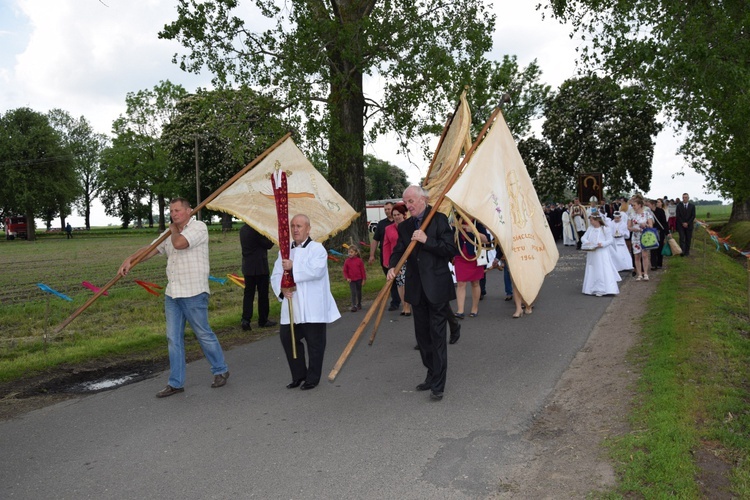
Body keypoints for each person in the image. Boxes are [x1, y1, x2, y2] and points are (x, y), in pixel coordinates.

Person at [118, 197, 229, 398]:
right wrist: (130, 259)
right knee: (173, 338)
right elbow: (151, 249)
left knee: (203, 333)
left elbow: (178, 243)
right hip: (173, 293)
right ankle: (176, 383)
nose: (174, 214)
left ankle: (220, 369)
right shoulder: (171, 231)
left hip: (194, 292)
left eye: (177, 210)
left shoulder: (199, 228)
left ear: (189, 211)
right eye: (171, 211)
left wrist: (172, 228)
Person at [387, 186, 457, 401]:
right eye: (405, 201)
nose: (408, 205)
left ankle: (438, 384)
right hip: (416, 289)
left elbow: (449, 250)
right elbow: (399, 251)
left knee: (437, 337)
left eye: (411, 201)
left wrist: (428, 241)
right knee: (423, 338)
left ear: (424, 200)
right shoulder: (406, 226)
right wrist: (392, 266)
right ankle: (431, 373)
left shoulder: (439, 219)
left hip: (436, 287)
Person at [271, 214, 340, 391]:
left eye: (299, 226)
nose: (295, 229)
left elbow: (316, 271)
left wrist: (294, 266)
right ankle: (298, 375)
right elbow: (276, 274)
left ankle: (312, 377)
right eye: (293, 226)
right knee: (288, 339)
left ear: (308, 229)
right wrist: (282, 289)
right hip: (292, 305)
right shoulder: (285, 251)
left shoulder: (317, 249)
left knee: (315, 343)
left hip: (312, 305)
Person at [239, 223, 277, 330]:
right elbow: (268, 244)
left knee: (248, 295)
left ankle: (245, 319)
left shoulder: (243, 230)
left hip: (248, 267)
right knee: (263, 295)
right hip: (260, 267)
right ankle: (263, 320)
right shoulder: (257, 230)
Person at [453, 215, 488, 318]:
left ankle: (475, 308)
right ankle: (460, 310)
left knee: (475, 282)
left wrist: (473, 231)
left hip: (475, 256)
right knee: (460, 283)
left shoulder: (478, 222)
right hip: (460, 256)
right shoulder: (456, 220)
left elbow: (486, 239)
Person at [369, 202, 401, 311]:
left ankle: (406, 300)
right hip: (386, 255)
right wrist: (372, 255)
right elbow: (375, 240)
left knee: (402, 279)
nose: (387, 211)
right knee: (390, 279)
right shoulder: (382, 224)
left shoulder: (402, 221)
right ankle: (395, 301)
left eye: (389, 209)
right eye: (385, 209)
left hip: (400, 255)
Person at [580, 213, 621, 296]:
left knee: (602, 268)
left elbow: (610, 240)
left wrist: (602, 244)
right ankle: (592, 288)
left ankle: (604, 288)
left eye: (591, 220)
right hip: (592, 252)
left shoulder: (605, 229)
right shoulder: (590, 229)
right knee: (592, 268)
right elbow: (583, 237)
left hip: (602, 252)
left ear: (597, 220)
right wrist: (587, 242)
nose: (590, 222)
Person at [382, 203, 411, 316]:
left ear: (404, 215)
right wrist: (387, 262)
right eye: (394, 215)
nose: (396, 217)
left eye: (398, 214)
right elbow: (386, 245)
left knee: (408, 282)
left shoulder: (410, 225)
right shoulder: (388, 229)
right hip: (397, 260)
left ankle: (408, 306)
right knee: (400, 283)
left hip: (409, 259)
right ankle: (404, 305)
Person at [628, 195, 655, 281]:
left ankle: (645, 273)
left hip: (644, 237)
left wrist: (645, 225)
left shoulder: (647, 213)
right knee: (636, 256)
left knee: (645, 255)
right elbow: (628, 227)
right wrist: (634, 229)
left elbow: (651, 225)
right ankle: (639, 274)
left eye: (634, 205)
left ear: (640, 205)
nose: (633, 207)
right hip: (635, 236)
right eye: (632, 205)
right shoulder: (631, 214)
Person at [342, 245, 366, 312]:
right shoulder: (347, 261)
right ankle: (354, 305)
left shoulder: (359, 261)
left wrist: (364, 279)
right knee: (353, 292)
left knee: (359, 291)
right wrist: (347, 278)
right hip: (351, 280)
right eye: (349, 252)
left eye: (351, 252)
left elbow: (362, 270)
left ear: (356, 253)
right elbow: (345, 271)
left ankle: (359, 304)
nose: (350, 253)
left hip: (359, 279)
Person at [648, 198, 668, 270]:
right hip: (651, 231)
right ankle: (653, 264)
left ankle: (659, 263)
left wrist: (667, 232)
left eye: (649, 204)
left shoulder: (661, 211)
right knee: (652, 248)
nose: (648, 205)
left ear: (653, 204)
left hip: (659, 231)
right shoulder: (648, 212)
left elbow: (664, 222)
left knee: (659, 247)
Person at [676, 192, 696, 257]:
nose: (684, 199)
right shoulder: (679, 206)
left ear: (688, 198)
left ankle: (687, 251)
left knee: (688, 238)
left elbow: (693, 216)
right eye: (683, 198)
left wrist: (687, 223)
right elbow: (678, 216)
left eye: (686, 197)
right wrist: (683, 223)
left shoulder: (692, 206)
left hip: (689, 225)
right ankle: (682, 251)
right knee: (682, 238)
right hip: (681, 225)